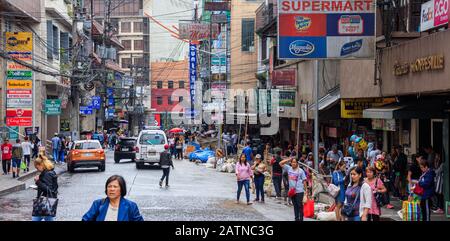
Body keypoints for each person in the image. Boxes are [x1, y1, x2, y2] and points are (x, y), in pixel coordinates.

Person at [32, 152, 58, 221]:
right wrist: (38, 187)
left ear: (41, 165)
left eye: (37, 167)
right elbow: (49, 187)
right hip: (49, 201)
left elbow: (48, 189)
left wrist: (37, 182)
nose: (37, 169)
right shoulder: (50, 172)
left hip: (46, 202)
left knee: (36, 218)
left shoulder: (47, 174)